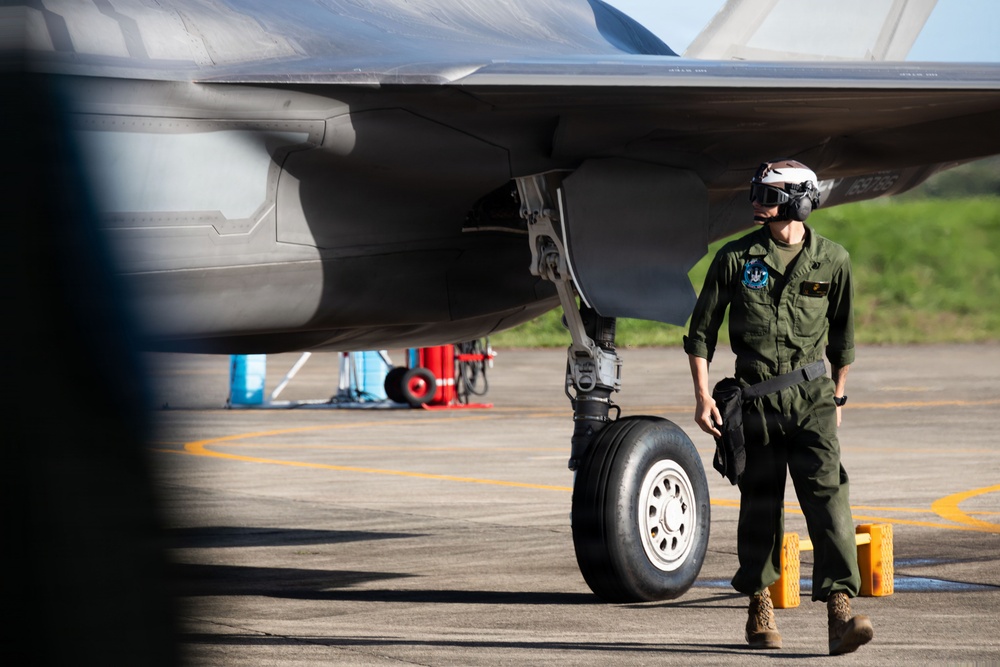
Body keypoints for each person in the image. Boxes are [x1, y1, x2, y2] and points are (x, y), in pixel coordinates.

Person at [683, 159, 874, 655]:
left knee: (829, 501)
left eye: (768, 195)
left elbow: (843, 339)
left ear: (800, 201)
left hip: (813, 399)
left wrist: (838, 397)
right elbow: (701, 334)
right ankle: (759, 605)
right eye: (757, 192)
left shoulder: (833, 260)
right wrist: (702, 397)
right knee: (761, 506)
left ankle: (840, 613)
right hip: (756, 401)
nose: (757, 202)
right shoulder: (735, 257)